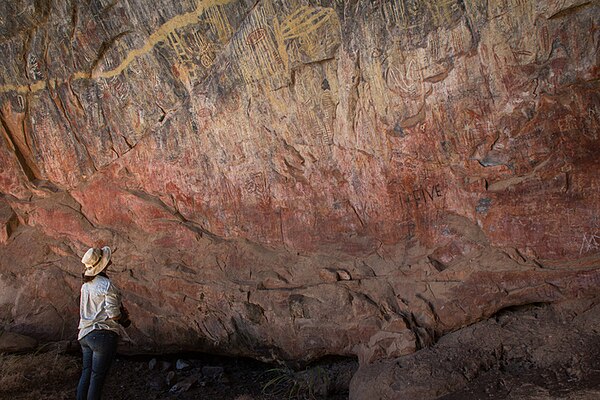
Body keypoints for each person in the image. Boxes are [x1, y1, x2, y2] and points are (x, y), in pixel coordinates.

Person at [76, 246, 130, 400]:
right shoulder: (107, 285)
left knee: (86, 374)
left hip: (85, 335)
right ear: (103, 264)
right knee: (97, 379)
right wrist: (124, 320)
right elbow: (113, 315)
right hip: (103, 335)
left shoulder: (85, 286)